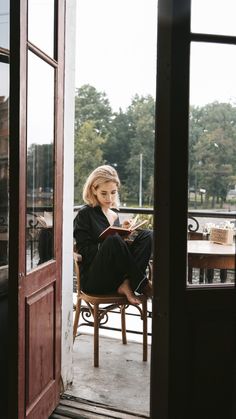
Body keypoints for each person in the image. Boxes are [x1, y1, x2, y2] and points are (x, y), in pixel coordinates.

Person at [73, 165, 152, 305]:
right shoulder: (85, 214)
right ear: (93, 189)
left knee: (148, 235)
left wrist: (124, 233)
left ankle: (127, 283)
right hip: (95, 279)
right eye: (104, 193)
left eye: (113, 192)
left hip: (117, 276)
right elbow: (84, 251)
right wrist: (112, 241)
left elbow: (117, 251)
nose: (109, 198)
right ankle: (143, 284)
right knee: (113, 239)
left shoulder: (114, 215)